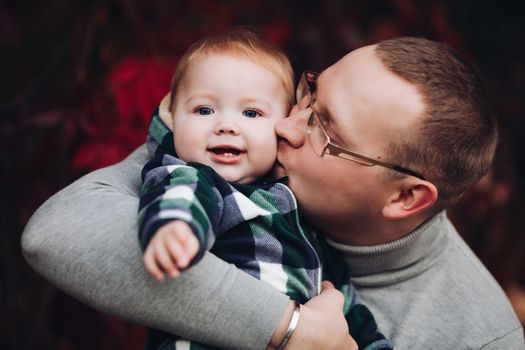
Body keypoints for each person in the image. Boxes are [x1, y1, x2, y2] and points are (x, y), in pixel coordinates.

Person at [21, 36, 525, 349]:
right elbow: (58, 232)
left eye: (326, 130)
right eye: (311, 93)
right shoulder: (248, 154)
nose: (286, 125)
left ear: (404, 198)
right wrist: (290, 330)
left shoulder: (479, 337)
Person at [137, 29, 391, 350]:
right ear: (173, 119)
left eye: (251, 113)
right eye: (204, 110)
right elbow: (180, 195)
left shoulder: (302, 215)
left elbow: (343, 303)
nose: (226, 125)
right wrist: (175, 228)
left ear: (281, 124)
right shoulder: (199, 179)